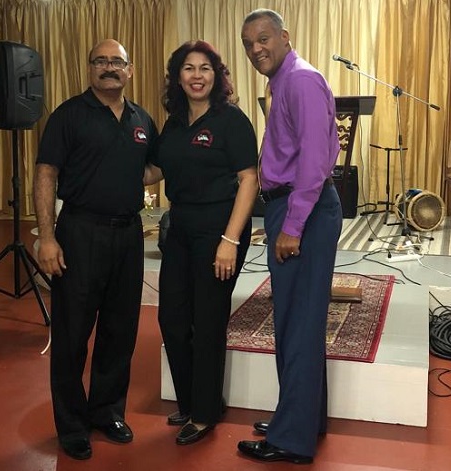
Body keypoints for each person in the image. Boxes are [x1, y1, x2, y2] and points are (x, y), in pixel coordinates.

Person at [33, 39, 158, 461]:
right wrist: (46, 237)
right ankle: (71, 425)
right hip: (79, 233)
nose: (109, 68)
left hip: (128, 234)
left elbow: (154, 165)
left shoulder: (142, 118)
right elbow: (46, 174)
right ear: (89, 68)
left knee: (120, 331)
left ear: (130, 69)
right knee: (72, 334)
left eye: (117, 62)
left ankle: (106, 412)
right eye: (101, 61)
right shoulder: (68, 116)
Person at [238, 9, 343, 464]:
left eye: (263, 39)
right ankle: (302, 417)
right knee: (300, 321)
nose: (256, 49)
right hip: (295, 205)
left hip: (306, 210)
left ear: (285, 36)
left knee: (296, 325)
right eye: (248, 44)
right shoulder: (283, 80)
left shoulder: (298, 79)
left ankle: (291, 439)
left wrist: (292, 226)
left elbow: (316, 161)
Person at [148, 40, 258, 446]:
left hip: (219, 227)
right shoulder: (174, 123)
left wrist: (229, 240)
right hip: (179, 226)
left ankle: (206, 412)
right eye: (188, 68)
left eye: (205, 68)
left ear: (217, 75)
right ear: (178, 77)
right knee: (172, 318)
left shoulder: (231, 120)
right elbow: (156, 168)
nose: (197, 75)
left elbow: (250, 178)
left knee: (208, 320)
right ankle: (191, 399)